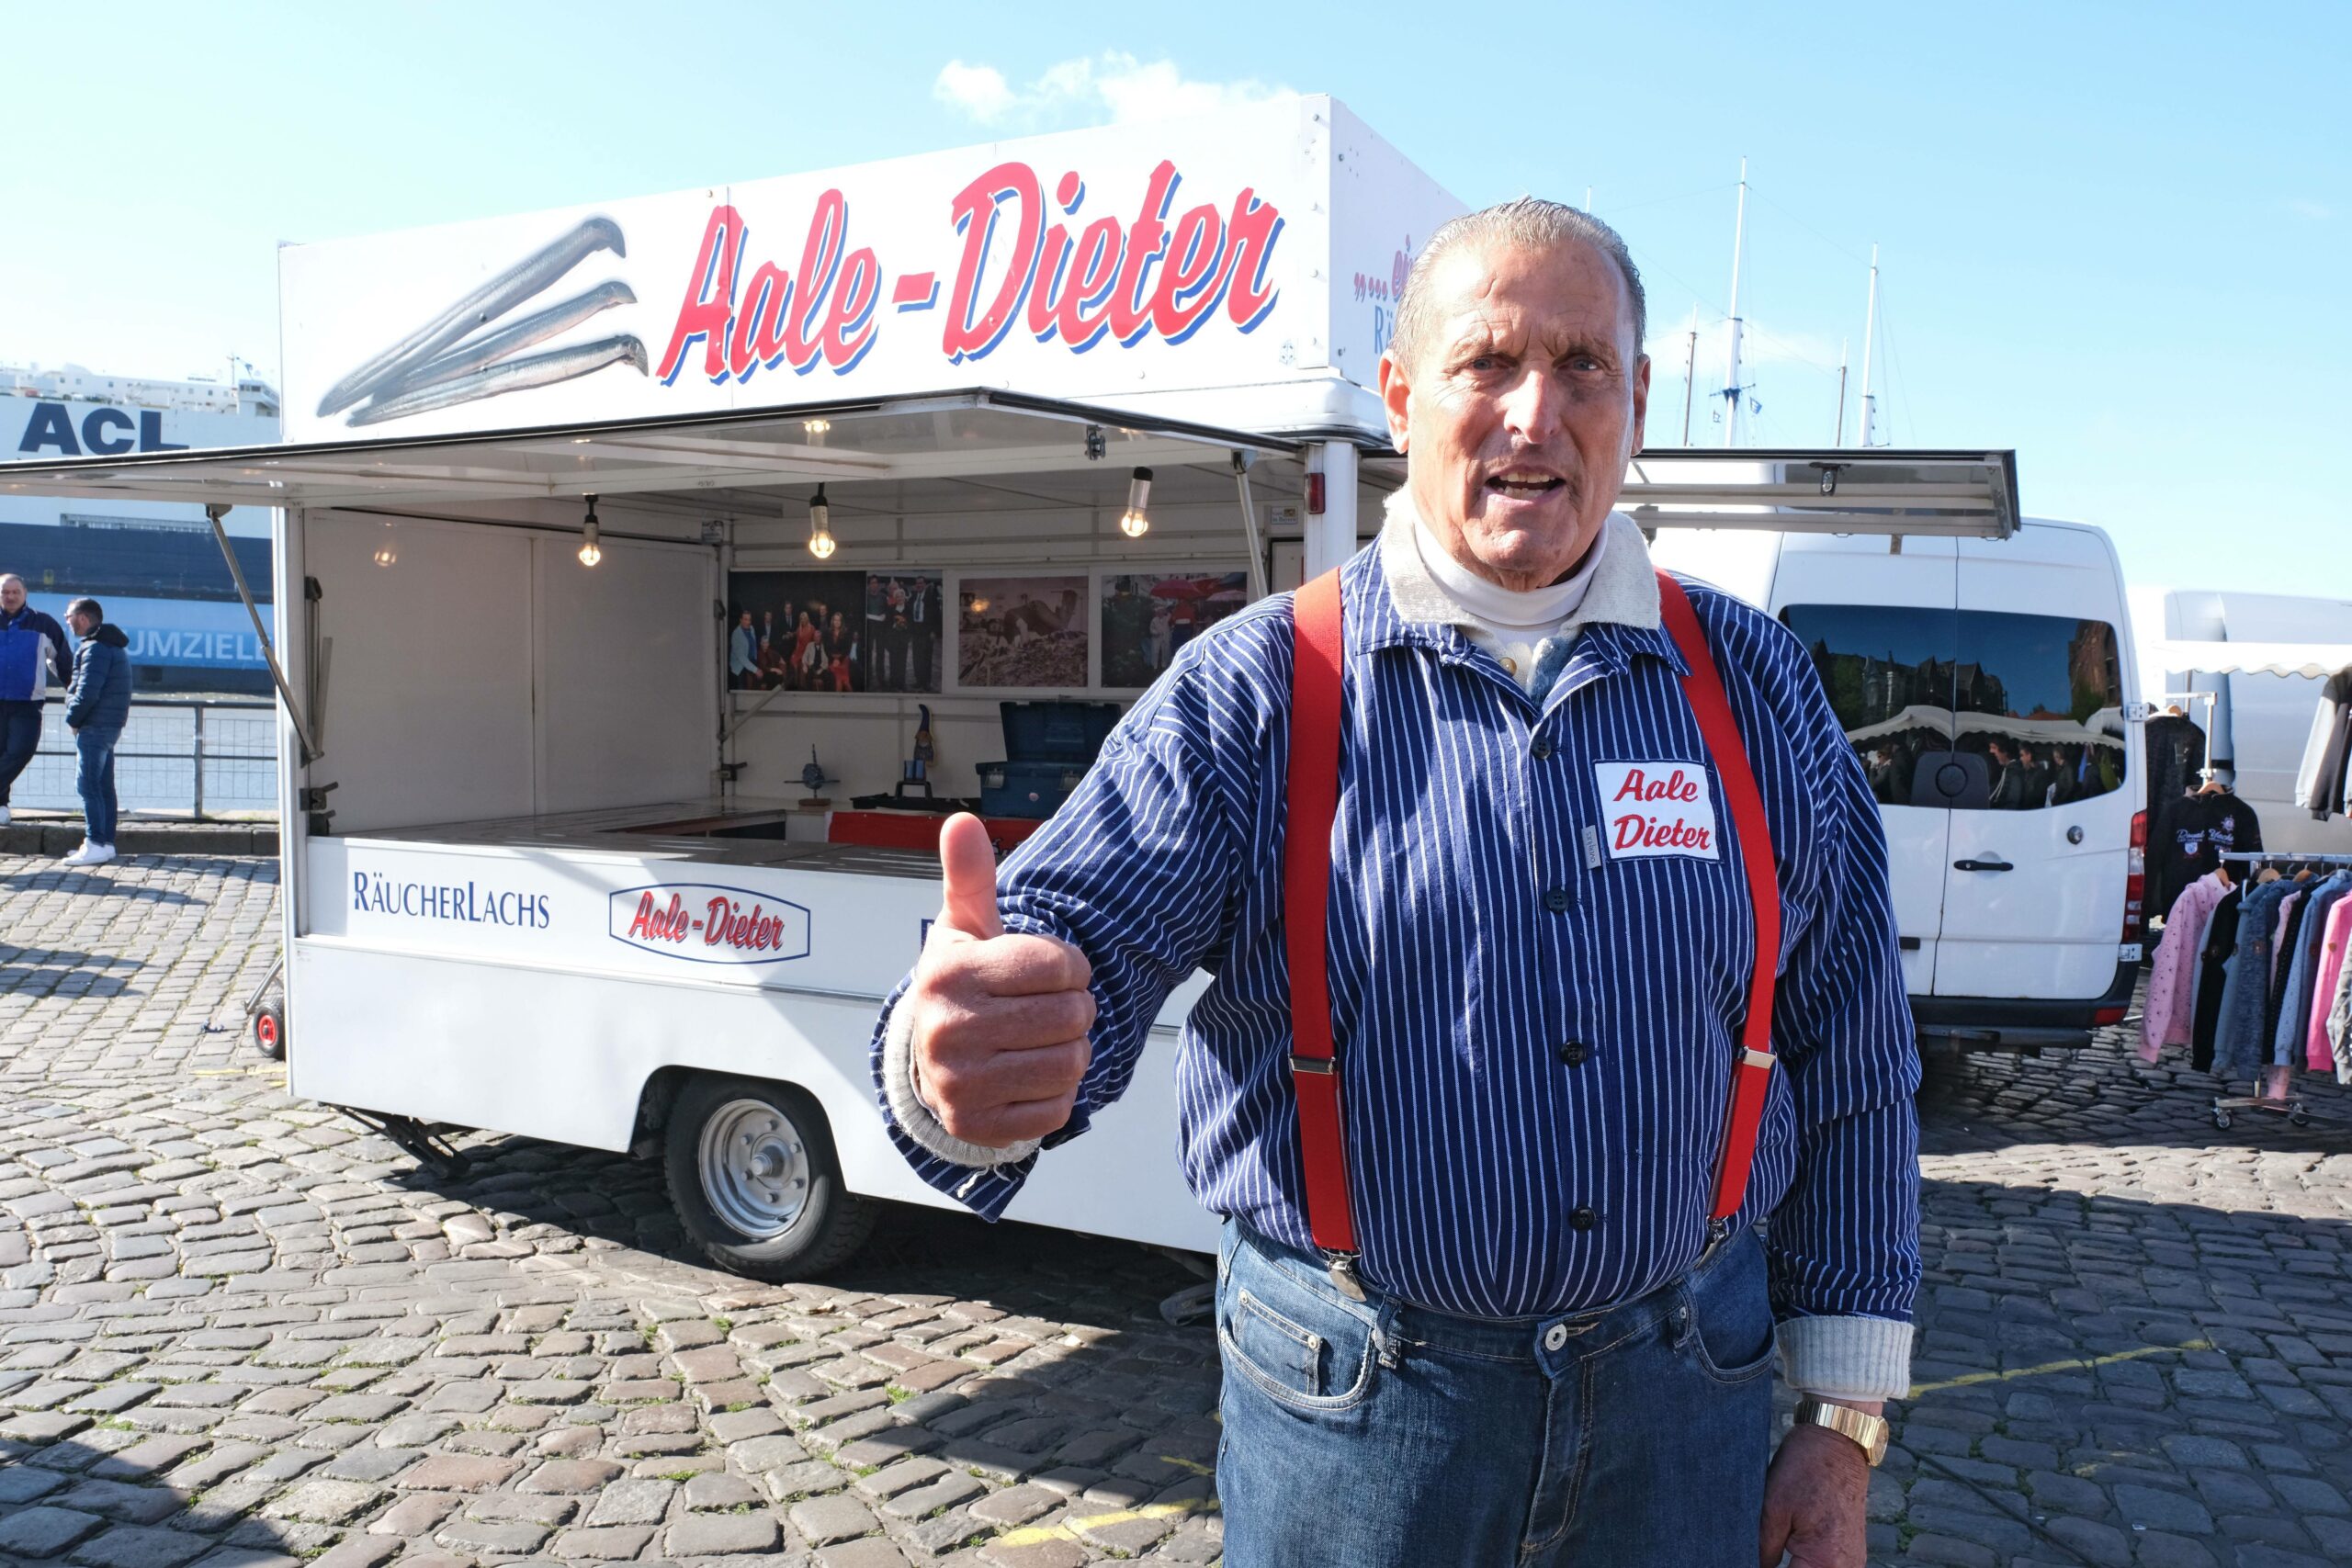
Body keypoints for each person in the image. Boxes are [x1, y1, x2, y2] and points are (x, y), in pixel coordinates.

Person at [874, 198, 1917, 1566]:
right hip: (1361, 1415)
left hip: (1685, 1402)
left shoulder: (1757, 683)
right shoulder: (1258, 687)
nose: (1536, 412)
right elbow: (1065, 944)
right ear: (1404, 397)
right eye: (1488, 362)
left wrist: (1842, 1421)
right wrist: (958, 1056)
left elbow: (1851, 1044)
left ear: (1639, 400)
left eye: (1584, 365)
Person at [61, 597, 130, 867]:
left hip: (94, 726)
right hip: (108, 725)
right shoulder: (112, 646)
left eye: (68, 617)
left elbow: (87, 692)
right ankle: (106, 843)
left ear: (82, 618)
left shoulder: (95, 649)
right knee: (103, 786)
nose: (67, 623)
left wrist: (72, 719)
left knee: (87, 785)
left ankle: (95, 843)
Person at [0, 575, 74, 826]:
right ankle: (1, 806)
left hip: (27, 702)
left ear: (25, 594)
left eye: (15, 592)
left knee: (22, 750)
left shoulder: (43, 623)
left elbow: (62, 662)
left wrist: (75, 693)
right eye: (4, 592)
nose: (9, 597)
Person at [728, 612, 758, 690]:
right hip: (740, 667)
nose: (748, 622)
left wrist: (755, 660)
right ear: (740, 620)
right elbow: (742, 658)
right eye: (745, 619)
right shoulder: (736, 634)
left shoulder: (751, 628)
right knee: (743, 690)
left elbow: (753, 645)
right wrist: (756, 670)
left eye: (749, 620)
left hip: (750, 662)